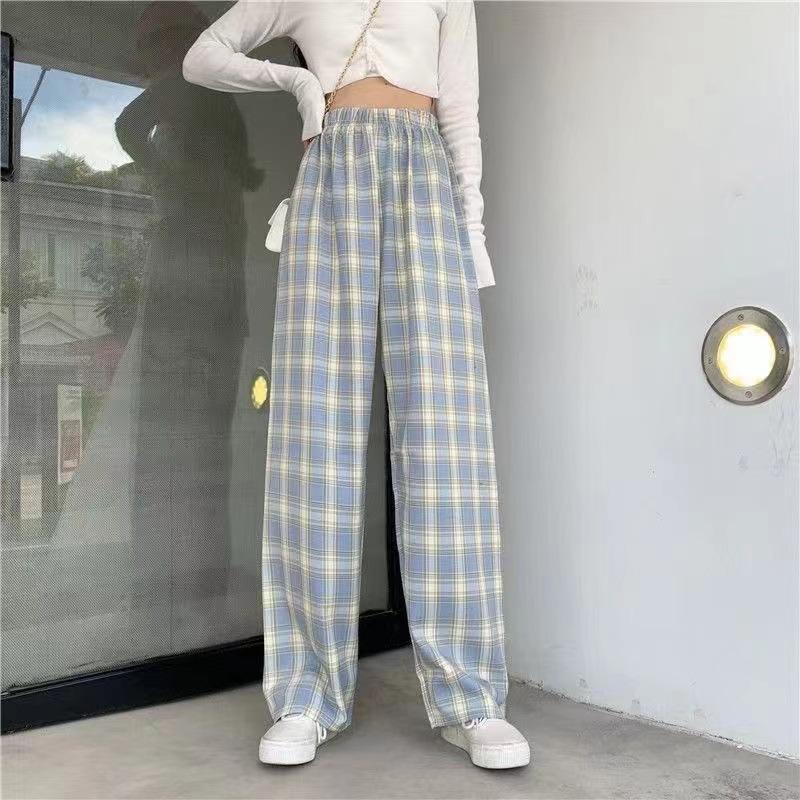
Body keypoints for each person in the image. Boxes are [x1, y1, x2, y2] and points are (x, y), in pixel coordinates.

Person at [182, 0, 531, 770]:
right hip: (330, 175)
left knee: (446, 439)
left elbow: (460, 112)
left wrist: (471, 234)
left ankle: (471, 697)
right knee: (315, 436)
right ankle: (307, 695)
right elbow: (202, 56)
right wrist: (297, 84)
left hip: (426, 180)